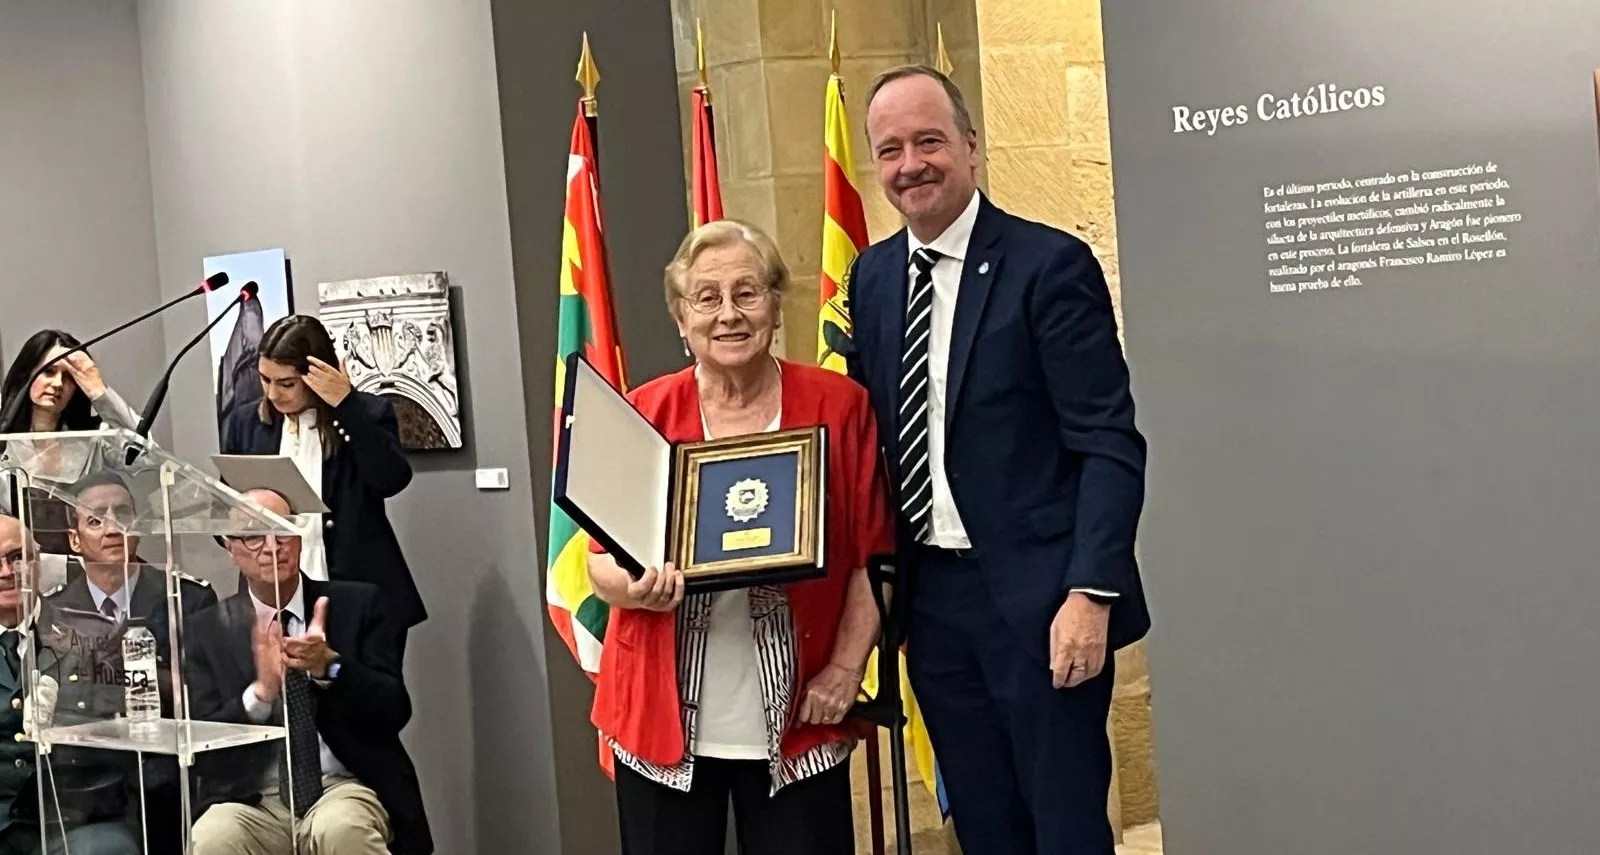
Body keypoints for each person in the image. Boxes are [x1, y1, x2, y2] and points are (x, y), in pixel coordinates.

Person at [845, 65, 1150, 855]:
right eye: (889, 149)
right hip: (935, 607)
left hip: (1043, 603)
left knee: (1066, 825)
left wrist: (1091, 592)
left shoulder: (1048, 267)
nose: (910, 163)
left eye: (929, 141)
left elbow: (1109, 443)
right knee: (982, 824)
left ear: (972, 149)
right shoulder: (872, 278)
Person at [585, 220, 892, 855]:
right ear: (680, 318)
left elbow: (873, 556)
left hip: (800, 717)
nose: (729, 315)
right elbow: (597, 565)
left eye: (748, 293)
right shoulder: (642, 411)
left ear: (777, 306)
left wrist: (844, 668)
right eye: (707, 298)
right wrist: (637, 589)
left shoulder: (840, 405)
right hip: (660, 723)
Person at [184, 488, 430, 855]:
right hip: (254, 798)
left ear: (299, 536)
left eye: (282, 529)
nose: (272, 545)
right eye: (253, 536)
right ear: (229, 546)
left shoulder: (356, 604)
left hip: (341, 786)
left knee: (342, 828)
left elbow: (395, 711)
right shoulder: (207, 629)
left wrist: (329, 666)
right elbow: (205, 753)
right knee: (214, 836)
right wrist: (261, 693)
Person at [220, 316, 424, 660]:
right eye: (265, 380)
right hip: (277, 596)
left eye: (286, 383)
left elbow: (391, 479)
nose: (272, 393)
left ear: (316, 376)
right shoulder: (246, 422)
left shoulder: (367, 413)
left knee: (361, 702)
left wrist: (346, 406)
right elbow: (226, 509)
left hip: (356, 590)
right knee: (288, 706)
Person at [0, 514, 140, 855]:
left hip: (74, 817)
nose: (5, 573)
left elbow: (125, 736)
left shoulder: (95, 634)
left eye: (17, 557)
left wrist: (63, 724)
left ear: (38, 561)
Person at [0, 330, 140, 570]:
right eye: (49, 371)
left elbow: (145, 456)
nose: (57, 384)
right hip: (23, 576)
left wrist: (99, 389)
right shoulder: (4, 444)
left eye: (69, 377)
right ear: (26, 375)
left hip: (95, 574)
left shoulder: (95, 437)